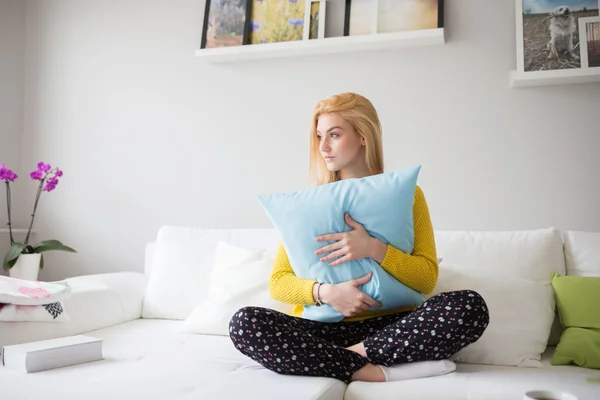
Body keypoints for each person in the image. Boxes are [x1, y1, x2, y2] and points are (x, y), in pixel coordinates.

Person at [229, 92, 489, 383]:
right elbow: (279, 282)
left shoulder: (409, 196)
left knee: (469, 306)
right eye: (319, 136)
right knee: (245, 323)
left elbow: (426, 278)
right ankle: (369, 370)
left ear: (363, 136)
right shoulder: (308, 205)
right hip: (322, 330)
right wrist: (326, 293)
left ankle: (347, 357)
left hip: (393, 327)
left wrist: (375, 249)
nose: (323, 147)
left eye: (334, 135)